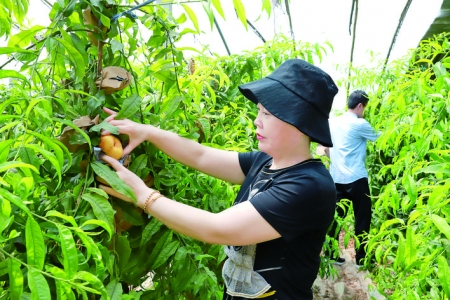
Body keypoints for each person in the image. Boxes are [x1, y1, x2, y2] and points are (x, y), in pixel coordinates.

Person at [99, 59, 338, 299]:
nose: (257, 120)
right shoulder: (265, 161)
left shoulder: (309, 186)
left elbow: (217, 228)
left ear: (298, 122)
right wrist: (149, 132)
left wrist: (143, 196)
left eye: (267, 113)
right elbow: (201, 156)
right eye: (258, 111)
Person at [323, 90, 380, 267]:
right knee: (362, 218)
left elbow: (325, 148)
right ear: (360, 105)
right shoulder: (360, 123)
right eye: (364, 108)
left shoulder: (332, 122)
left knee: (335, 218)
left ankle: (332, 256)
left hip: (336, 178)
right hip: (357, 179)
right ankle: (361, 259)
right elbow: (381, 138)